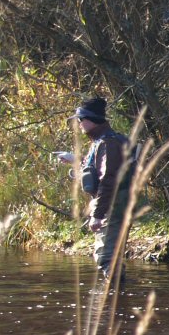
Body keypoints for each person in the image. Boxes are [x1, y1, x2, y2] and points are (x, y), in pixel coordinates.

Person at [59, 96, 135, 280]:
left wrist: (98, 215)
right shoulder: (104, 141)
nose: (79, 124)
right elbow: (97, 170)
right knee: (111, 258)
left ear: (89, 120)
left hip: (113, 207)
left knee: (106, 258)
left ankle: (116, 303)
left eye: (80, 120)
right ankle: (119, 299)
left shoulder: (107, 144)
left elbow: (108, 181)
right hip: (116, 205)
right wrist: (75, 160)